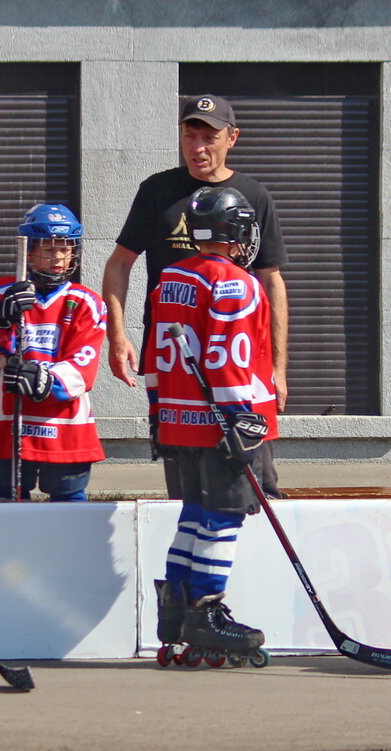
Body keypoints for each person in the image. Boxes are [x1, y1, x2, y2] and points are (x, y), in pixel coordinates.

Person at [102, 93, 287, 496]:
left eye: (209, 137)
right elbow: (119, 264)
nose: (197, 147)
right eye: (190, 135)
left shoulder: (253, 196)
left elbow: (272, 281)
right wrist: (116, 336)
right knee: (186, 482)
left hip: (239, 365)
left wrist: (278, 366)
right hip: (176, 365)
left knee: (253, 475)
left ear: (232, 138)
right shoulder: (157, 190)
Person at [144, 186, 277, 667]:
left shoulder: (169, 277)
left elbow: (156, 356)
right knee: (223, 517)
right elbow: (229, 358)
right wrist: (242, 419)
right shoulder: (235, 283)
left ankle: (175, 608)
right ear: (232, 230)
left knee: (194, 514)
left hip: (180, 419)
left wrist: (159, 413)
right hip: (223, 423)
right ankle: (206, 610)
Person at [0, 204, 106, 501]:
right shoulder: (0, 291)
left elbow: (84, 363)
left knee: (68, 503)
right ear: (29, 251)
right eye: (47, 248)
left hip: (67, 423)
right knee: (7, 498)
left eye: (64, 248)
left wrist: (45, 379)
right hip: (13, 421)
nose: (57, 257)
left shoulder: (86, 302)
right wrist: (2, 323)